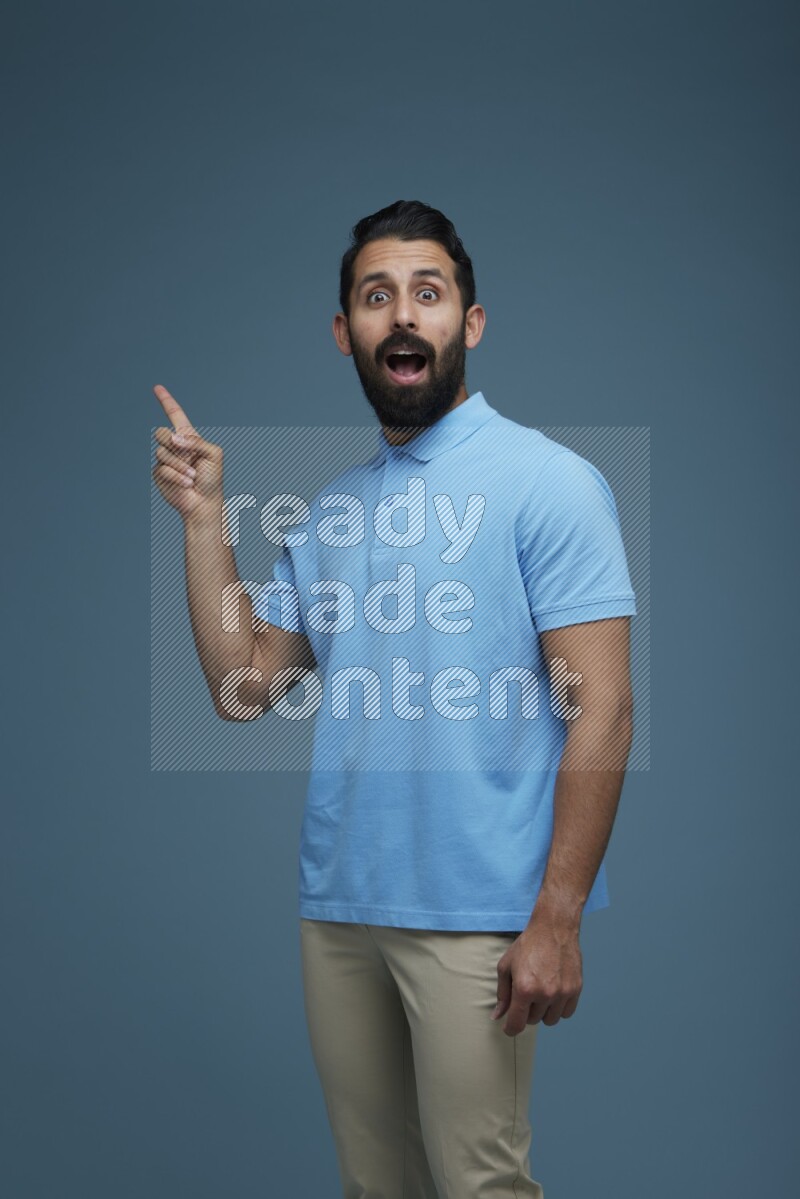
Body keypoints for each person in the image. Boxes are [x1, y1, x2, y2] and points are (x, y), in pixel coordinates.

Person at [151, 199, 637, 1198]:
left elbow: (605, 710)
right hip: (338, 909)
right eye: (376, 296)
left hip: (478, 913)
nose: (402, 314)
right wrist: (205, 521)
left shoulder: (550, 483)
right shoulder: (328, 513)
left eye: (428, 291)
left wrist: (556, 915)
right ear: (346, 332)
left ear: (470, 320)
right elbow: (243, 686)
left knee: (479, 1185)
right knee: (377, 1190)